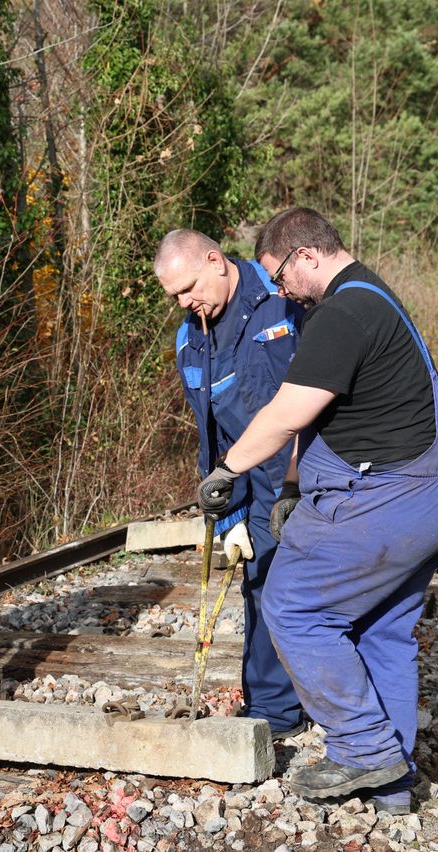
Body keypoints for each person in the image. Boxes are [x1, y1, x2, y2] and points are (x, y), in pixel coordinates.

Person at [197, 208, 438, 814]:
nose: (278, 291)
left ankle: (364, 749)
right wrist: (292, 488)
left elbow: (289, 413)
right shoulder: (372, 295)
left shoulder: (342, 314)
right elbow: (324, 417)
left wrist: (228, 470)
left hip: (396, 495)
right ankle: (391, 791)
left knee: (292, 604)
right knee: (382, 629)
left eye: (281, 277)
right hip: (435, 490)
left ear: (307, 256)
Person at [154, 229, 306, 739]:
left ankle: (349, 707)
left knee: (332, 591)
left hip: (316, 468)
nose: (183, 301)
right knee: (260, 586)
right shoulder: (189, 340)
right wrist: (232, 517)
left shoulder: (282, 292)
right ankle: (273, 713)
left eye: (188, 287)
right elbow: (210, 433)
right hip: (255, 479)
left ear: (216, 262)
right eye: (173, 295)